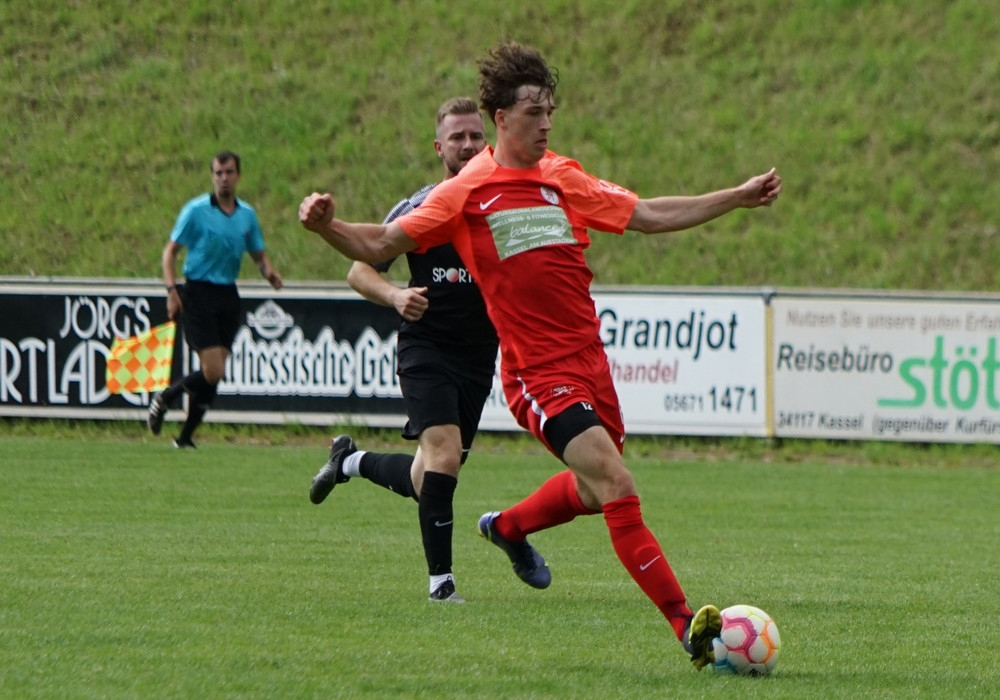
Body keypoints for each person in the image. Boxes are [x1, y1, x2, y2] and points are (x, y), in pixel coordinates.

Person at [298, 41, 781, 670]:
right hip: (536, 372)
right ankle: (686, 625)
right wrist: (326, 227)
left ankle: (507, 527)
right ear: (502, 118)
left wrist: (736, 197)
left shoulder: (562, 175)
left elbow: (648, 215)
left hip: (591, 363)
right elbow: (381, 242)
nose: (547, 123)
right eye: (534, 112)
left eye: (550, 111)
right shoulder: (466, 192)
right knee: (617, 484)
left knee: (593, 491)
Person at [308, 97, 499, 604]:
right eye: (457, 138)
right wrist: (395, 296)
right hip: (427, 346)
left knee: (425, 479)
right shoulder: (421, 207)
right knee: (443, 456)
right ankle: (441, 586)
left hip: (479, 357)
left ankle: (349, 461)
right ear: (439, 148)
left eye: (475, 136)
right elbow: (359, 269)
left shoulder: (503, 207)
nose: (468, 145)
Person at [148, 150, 283, 448]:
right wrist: (171, 291)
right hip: (198, 293)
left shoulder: (246, 215)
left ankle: (185, 438)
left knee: (213, 374)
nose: (224, 179)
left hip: (227, 294)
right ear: (212, 176)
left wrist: (269, 274)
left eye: (229, 172)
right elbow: (170, 253)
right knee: (214, 370)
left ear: (238, 176)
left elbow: (258, 255)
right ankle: (166, 397)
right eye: (218, 173)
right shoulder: (196, 211)